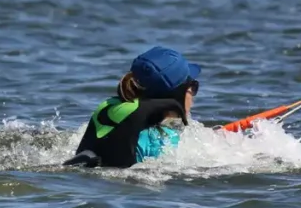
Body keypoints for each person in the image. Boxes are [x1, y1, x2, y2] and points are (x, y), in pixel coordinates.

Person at [64, 46, 201, 169]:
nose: (193, 96)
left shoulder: (111, 108)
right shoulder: (159, 141)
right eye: (193, 88)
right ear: (176, 95)